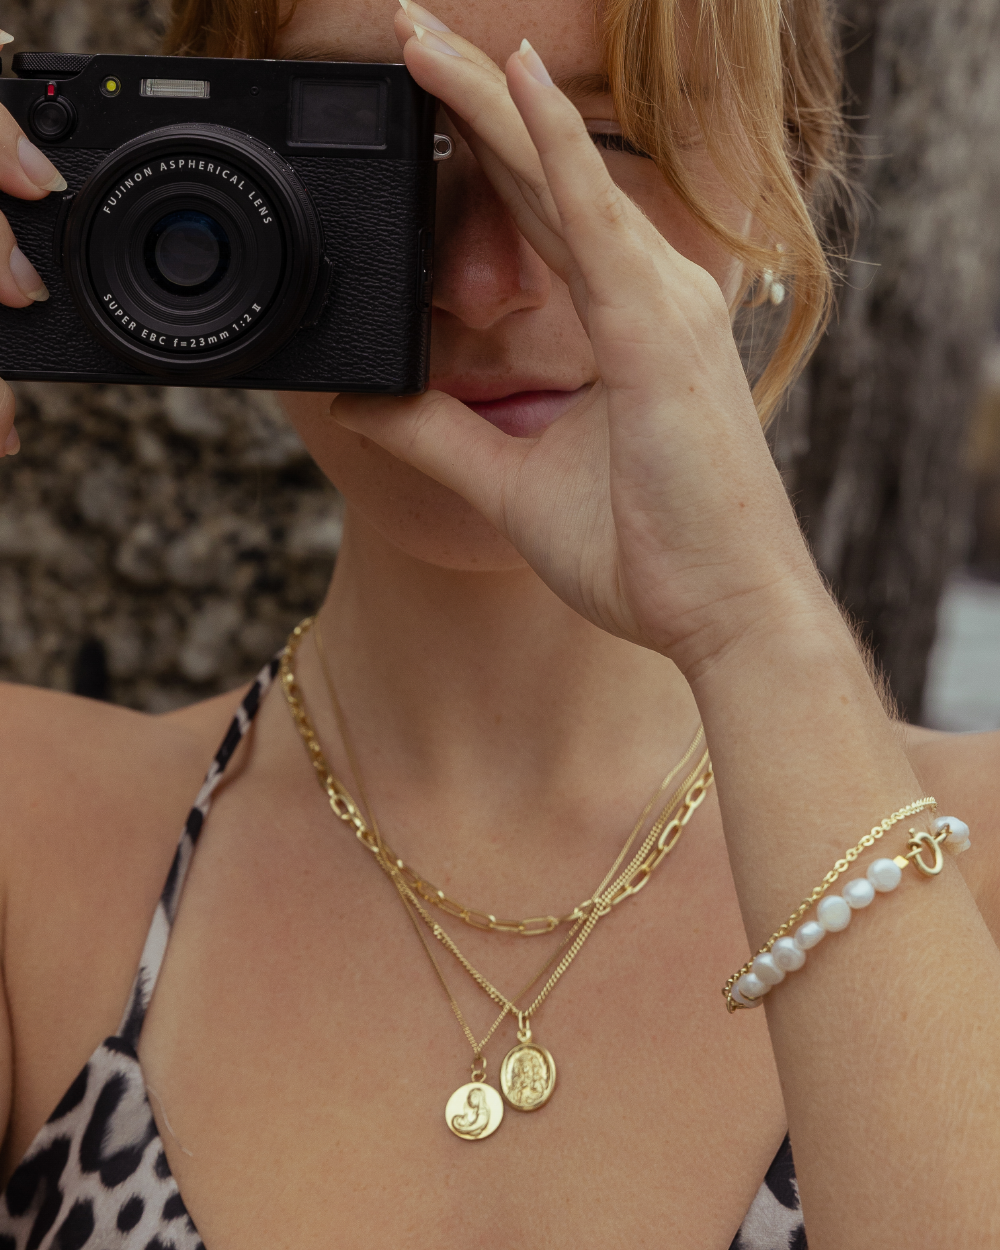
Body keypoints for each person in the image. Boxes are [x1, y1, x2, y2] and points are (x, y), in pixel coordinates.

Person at [1, 0, 998, 1246]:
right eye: (381, 134)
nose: (481, 281)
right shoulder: (26, 833)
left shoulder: (975, 880)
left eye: (608, 140)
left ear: (787, 164)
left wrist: (754, 629)